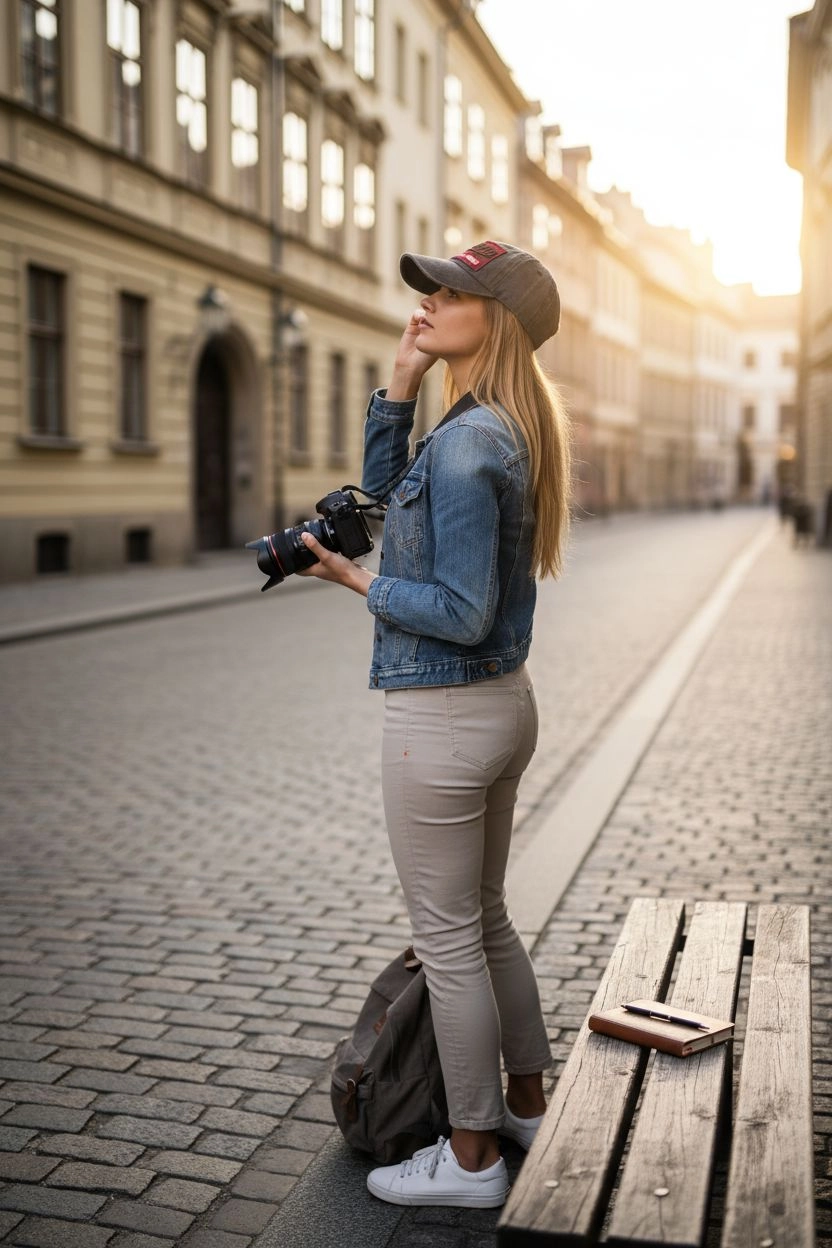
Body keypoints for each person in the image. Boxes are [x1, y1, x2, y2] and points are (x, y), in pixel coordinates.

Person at [298, 240, 571, 1208]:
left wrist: (356, 583)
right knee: (485, 922)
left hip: (444, 715)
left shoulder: (469, 446)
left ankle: (469, 1160)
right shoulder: (487, 428)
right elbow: (383, 498)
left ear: (492, 319)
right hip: (498, 706)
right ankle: (528, 1105)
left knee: (449, 939)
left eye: (452, 291)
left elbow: (453, 607)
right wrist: (400, 379)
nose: (431, 300)